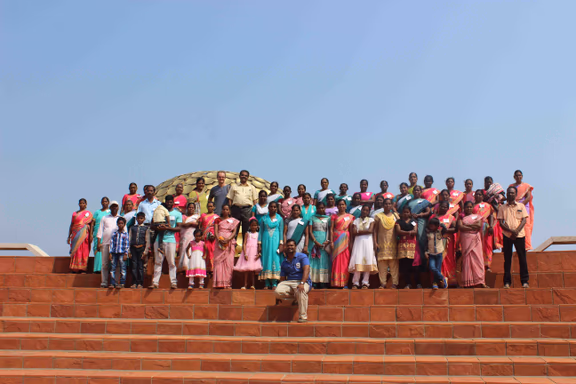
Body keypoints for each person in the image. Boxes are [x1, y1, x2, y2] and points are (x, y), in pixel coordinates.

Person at [498, 186, 529, 288]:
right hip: (507, 235)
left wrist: (516, 231)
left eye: (512, 193)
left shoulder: (521, 206)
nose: (510, 194)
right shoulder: (502, 207)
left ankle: (525, 281)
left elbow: (524, 220)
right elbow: (501, 223)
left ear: (515, 195)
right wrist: (511, 232)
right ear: (506, 194)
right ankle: (507, 282)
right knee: (507, 259)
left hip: (520, 235)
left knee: (522, 258)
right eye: (509, 193)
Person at [274, 239, 311, 323]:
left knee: (301, 291)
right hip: (289, 282)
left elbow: (307, 270)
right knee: (277, 292)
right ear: (285, 247)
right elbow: (282, 278)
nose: (290, 247)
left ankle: (303, 316)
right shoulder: (284, 262)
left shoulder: (302, 257)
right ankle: (295, 298)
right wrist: (279, 294)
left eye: (292, 245)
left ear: (295, 247)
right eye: (288, 246)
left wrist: (302, 283)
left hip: (302, 281)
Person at [149, 195, 182, 289]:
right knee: (158, 261)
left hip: (170, 240)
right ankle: (155, 282)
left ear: (173, 202)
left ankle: (173, 282)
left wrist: (168, 228)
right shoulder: (159, 211)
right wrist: (158, 227)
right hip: (159, 240)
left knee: (171, 262)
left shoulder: (177, 214)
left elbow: (179, 228)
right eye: (167, 202)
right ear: (165, 202)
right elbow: (152, 225)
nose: (169, 203)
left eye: (171, 202)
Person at [349, 205, 378, 289]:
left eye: (366, 210)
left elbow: (371, 230)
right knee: (358, 261)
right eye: (363, 210)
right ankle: (356, 283)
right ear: (361, 210)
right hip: (358, 243)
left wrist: (359, 231)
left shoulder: (372, 220)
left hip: (368, 243)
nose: (364, 211)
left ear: (369, 212)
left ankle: (365, 282)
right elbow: (354, 232)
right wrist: (365, 231)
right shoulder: (356, 221)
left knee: (368, 261)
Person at [458, 201, 487, 288]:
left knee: (478, 259)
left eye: (470, 207)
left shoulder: (477, 216)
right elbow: (460, 227)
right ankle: (468, 282)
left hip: (475, 240)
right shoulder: (461, 218)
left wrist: (466, 227)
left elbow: (478, 226)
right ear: (464, 208)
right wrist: (471, 227)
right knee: (467, 259)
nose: (469, 209)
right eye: (467, 207)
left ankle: (480, 281)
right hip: (466, 240)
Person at [430, 201, 458, 287]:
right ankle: (438, 281)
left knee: (447, 260)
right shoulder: (433, 217)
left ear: (448, 208)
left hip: (447, 242)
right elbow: (429, 228)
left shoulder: (451, 217)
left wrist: (445, 230)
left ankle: (449, 280)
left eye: (445, 207)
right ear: (438, 207)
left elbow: (455, 229)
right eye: (442, 206)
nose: (443, 208)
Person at [213, 204, 240, 289]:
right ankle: (218, 283)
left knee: (229, 263)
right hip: (219, 243)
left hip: (229, 243)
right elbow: (216, 231)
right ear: (221, 210)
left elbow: (234, 232)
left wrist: (228, 239)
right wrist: (219, 239)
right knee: (218, 262)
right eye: (223, 209)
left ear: (229, 211)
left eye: (227, 209)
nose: (225, 211)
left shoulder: (233, 221)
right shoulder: (217, 220)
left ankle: (227, 284)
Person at [258, 201, 284, 289]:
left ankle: (274, 282)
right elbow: (260, 232)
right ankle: (267, 282)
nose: (273, 208)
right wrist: (259, 244)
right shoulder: (263, 219)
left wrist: (281, 243)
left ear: (276, 208)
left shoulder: (280, 218)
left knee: (275, 259)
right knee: (266, 259)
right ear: (268, 208)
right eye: (271, 207)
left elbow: (281, 231)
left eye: (274, 207)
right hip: (266, 240)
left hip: (276, 241)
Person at [374, 199, 399, 289]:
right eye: (386, 204)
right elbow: (375, 230)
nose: (388, 205)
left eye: (389, 204)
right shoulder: (378, 216)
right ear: (383, 205)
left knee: (394, 265)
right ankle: (383, 283)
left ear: (392, 205)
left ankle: (394, 283)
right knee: (382, 264)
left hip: (393, 243)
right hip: (382, 243)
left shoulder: (396, 216)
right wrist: (375, 242)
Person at [227, 170, 258, 237]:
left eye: (246, 175)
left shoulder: (251, 187)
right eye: (242, 175)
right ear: (239, 176)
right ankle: (233, 246)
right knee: (234, 229)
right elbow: (230, 199)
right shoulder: (234, 186)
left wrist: (254, 213)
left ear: (248, 177)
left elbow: (255, 201)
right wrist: (230, 210)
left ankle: (245, 246)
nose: (244, 177)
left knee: (246, 230)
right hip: (236, 209)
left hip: (247, 210)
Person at [395, 206, 421, 289]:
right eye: (404, 212)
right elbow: (398, 231)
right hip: (402, 246)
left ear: (410, 213)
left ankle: (418, 283)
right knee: (405, 265)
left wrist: (405, 232)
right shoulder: (398, 222)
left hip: (412, 246)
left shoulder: (413, 221)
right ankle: (407, 283)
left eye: (407, 212)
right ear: (402, 213)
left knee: (415, 265)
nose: (406, 214)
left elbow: (415, 231)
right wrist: (409, 232)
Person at [96, 201, 121, 288]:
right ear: (110, 208)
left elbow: (124, 231)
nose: (114, 208)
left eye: (116, 207)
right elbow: (100, 231)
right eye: (113, 207)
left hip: (117, 245)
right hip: (106, 243)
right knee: (105, 264)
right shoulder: (105, 218)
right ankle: (104, 282)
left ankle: (115, 282)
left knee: (116, 264)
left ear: (118, 208)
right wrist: (98, 243)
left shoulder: (120, 218)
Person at [331, 199, 354, 288]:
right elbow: (331, 229)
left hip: (346, 240)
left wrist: (351, 242)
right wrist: (331, 241)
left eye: (343, 204)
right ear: (337, 206)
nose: (341, 206)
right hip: (336, 239)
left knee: (345, 261)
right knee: (336, 261)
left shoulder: (350, 217)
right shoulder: (334, 216)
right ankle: (336, 282)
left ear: (345, 206)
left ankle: (344, 283)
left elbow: (351, 231)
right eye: (339, 205)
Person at [308, 202, 332, 288]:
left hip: (324, 243)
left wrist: (328, 241)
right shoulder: (312, 218)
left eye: (322, 208)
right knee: (314, 261)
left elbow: (330, 230)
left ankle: (323, 281)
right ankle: (314, 281)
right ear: (316, 209)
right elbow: (310, 231)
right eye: (319, 208)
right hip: (314, 242)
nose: (321, 209)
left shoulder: (328, 218)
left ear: (324, 208)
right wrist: (315, 241)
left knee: (324, 261)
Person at [234, 217, 263, 289]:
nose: (254, 227)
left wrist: (259, 253)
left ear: (257, 226)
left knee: (252, 270)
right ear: (250, 226)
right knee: (246, 270)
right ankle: (245, 285)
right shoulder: (247, 234)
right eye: (252, 225)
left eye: (255, 225)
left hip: (254, 253)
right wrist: (245, 253)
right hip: (248, 252)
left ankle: (253, 285)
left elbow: (259, 245)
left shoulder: (258, 234)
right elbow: (244, 243)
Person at [510, 170, 534, 250]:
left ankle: (527, 246)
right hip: (513, 209)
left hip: (524, 208)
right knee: (515, 226)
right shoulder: (511, 186)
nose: (518, 177)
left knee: (525, 226)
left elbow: (528, 197)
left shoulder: (526, 186)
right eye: (516, 175)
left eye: (520, 175)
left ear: (522, 176)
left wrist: (521, 205)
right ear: (514, 177)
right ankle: (518, 246)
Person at [67, 198, 93, 273]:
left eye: (83, 203)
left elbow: (91, 225)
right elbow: (71, 224)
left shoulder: (88, 214)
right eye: (80, 203)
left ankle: (82, 268)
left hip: (84, 234)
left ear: (86, 205)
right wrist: (69, 236)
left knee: (83, 250)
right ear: (78, 204)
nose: (82, 205)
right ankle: (74, 268)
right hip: (75, 234)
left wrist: (91, 235)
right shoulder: (75, 214)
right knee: (75, 250)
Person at [407, 186, 432, 262]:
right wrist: (411, 215)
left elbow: (428, 212)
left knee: (421, 238)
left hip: (421, 221)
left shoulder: (424, 201)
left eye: (418, 190)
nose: (417, 191)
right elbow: (406, 212)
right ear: (413, 192)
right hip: (412, 221)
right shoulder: (409, 202)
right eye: (415, 190)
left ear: (421, 192)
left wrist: (420, 215)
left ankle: (422, 258)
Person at [473, 190, 495, 272]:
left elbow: (491, 215)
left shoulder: (487, 205)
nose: (478, 196)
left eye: (480, 194)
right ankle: (477, 264)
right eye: (476, 194)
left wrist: (491, 226)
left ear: (482, 196)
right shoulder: (471, 206)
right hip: (475, 228)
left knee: (487, 246)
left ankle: (487, 265)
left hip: (486, 227)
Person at [128, 212, 150, 288]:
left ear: (144, 219)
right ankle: (134, 282)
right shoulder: (132, 228)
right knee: (134, 266)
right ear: (136, 219)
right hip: (133, 248)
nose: (140, 220)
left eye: (141, 218)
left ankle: (140, 283)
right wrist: (128, 251)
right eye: (138, 218)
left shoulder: (146, 228)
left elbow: (147, 240)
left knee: (140, 266)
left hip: (141, 248)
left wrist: (145, 251)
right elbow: (129, 239)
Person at [424, 218, 448, 290]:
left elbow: (445, 229)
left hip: (439, 254)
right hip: (431, 254)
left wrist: (440, 224)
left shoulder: (440, 232)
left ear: (437, 226)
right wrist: (426, 252)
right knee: (432, 267)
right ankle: (443, 278)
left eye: (433, 225)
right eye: (430, 225)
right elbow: (426, 243)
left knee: (437, 269)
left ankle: (435, 283)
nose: (431, 226)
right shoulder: (428, 233)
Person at [177, 203, 200, 273]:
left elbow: (198, 225)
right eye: (190, 207)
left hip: (193, 236)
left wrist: (191, 224)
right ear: (187, 208)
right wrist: (190, 223)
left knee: (192, 250)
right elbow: (182, 224)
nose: (191, 209)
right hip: (185, 236)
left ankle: (191, 267)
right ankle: (184, 266)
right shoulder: (183, 216)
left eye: (193, 208)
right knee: (184, 249)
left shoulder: (197, 216)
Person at [108, 217, 129, 289]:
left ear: (124, 224)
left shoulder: (125, 234)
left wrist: (126, 254)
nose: (120, 225)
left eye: (122, 223)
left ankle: (122, 283)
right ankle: (112, 283)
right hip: (114, 252)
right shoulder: (114, 234)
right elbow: (111, 243)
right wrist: (110, 253)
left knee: (123, 268)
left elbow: (126, 245)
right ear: (117, 224)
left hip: (122, 253)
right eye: (119, 223)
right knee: (113, 268)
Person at [199, 202, 219, 271]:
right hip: (204, 236)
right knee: (205, 251)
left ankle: (212, 268)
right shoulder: (203, 215)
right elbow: (200, 226)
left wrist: (215, 236)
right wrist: (201, 235)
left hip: (213, 236)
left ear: (214, 207)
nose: (210, 207)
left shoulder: (216, 217)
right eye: (208, 206)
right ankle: (205, 268)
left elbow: (218, 228)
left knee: (212, 251)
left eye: (211, 206)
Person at [92, 197, 110, 273]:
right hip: (97, 232)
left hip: (106, 232)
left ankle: (104, 267)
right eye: (103, 202)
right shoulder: (97, 212)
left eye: (106, 201)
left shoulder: (109, 212)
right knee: (98, 248)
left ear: (108, 202)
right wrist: (91, 234)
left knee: (105, 249)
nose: (104, 203)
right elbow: (92, 223)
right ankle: (97, 268)